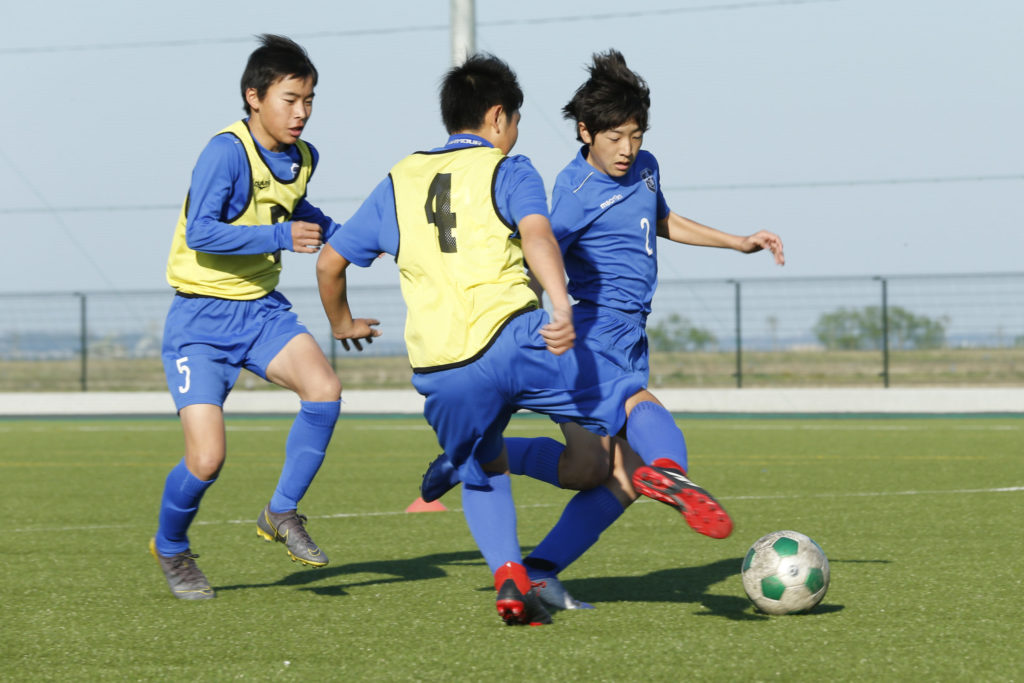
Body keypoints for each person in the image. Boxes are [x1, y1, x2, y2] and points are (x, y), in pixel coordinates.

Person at [422, 49, 786, 611]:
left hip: (631, 334)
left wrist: (736, 241)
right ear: (585, 132)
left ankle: (486, 478)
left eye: (636, 134)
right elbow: (538, 253)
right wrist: (532, 324)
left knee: (594, 470)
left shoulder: (645, 167)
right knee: (637, 423)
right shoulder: (571, 193)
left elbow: (660, 218)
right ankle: (671, 474)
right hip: (588, 339)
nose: (627, 149)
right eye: (615, 137)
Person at [316, 54, 640, 626]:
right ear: (497, 118)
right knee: (626, 402)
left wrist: (342, 324)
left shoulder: (399, 178)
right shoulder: (508, 169)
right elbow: (538, 234)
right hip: (516, 341)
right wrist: (560, 301)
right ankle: (673, 471)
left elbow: (329, 263)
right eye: (515, 122)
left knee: (486, 471)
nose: (515, 135)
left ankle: (509, 576)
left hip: (443, 370)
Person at [150, 35, 353, 600]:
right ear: (254, 97)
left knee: (325, 389)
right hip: (200, 320)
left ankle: (281, 511)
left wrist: (357, 238)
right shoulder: (225, 151)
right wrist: (281, 236)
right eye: (290, 99)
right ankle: (171, 547)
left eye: (309, 99)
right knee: (207, 459)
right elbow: (202, 232)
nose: (302, 112)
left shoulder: (304, 158)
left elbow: (298, 210)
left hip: (261, 313)